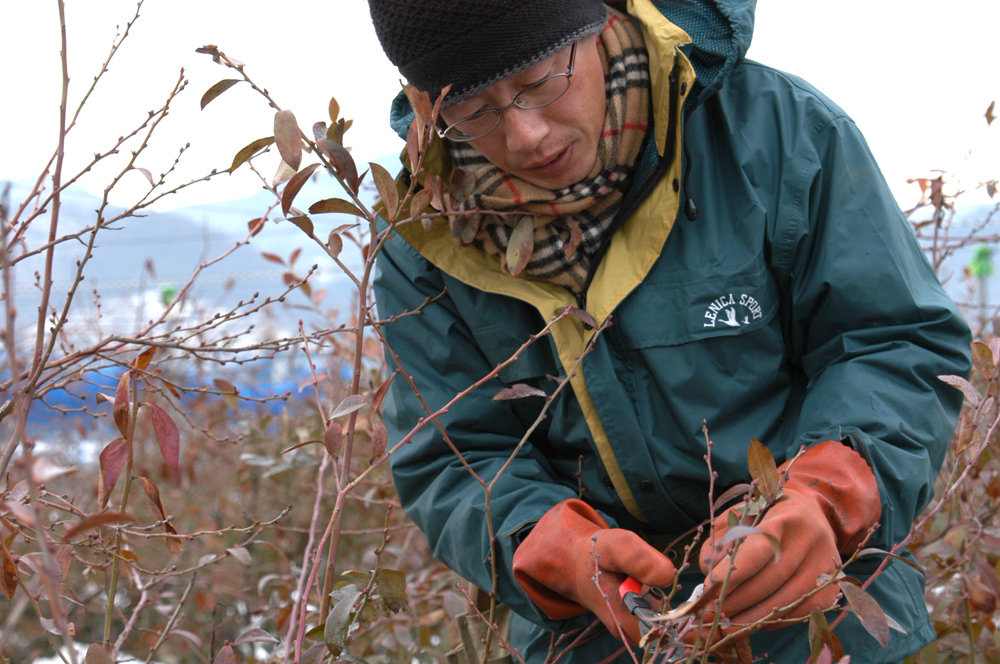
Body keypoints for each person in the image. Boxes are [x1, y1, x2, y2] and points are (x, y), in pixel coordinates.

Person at [367, 0, 972, 662]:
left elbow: (894, 342)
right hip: (599, 644)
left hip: (827, 628)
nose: (527, 135)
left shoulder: (776, 132)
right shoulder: (421, 236)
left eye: (541, 81)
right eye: (474, 111)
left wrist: (826, 496)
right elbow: (453, 456)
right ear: (426, 107)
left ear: (595, 25)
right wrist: (543, 543)